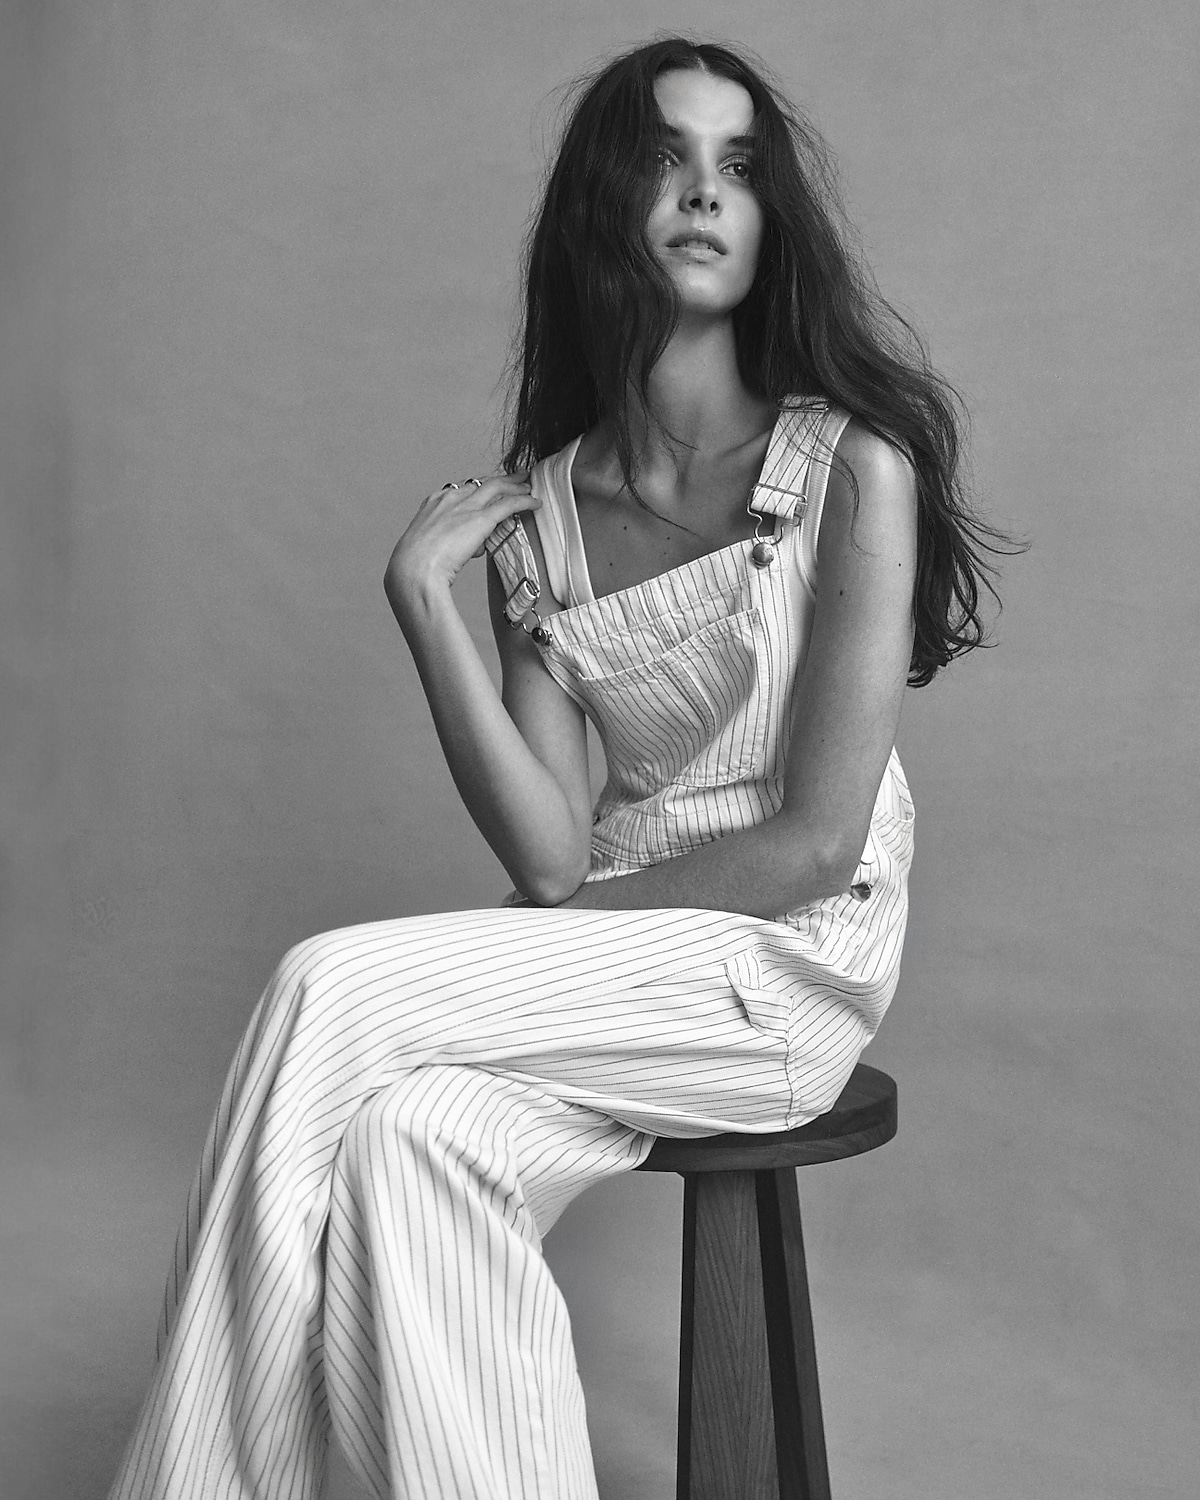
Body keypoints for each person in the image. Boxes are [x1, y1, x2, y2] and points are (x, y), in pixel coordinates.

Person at [106, 37, 1009, 1500]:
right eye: (667, 160)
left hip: (784, 972)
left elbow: (814, 844)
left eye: (740, 168)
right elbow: (542, 856)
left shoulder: (854, 468)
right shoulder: (549, 515)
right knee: (413, 1139)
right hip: (620, 970)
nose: (707, 197)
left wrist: (518, 947)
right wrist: (426, 607)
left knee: (329, 983)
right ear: (607, 205)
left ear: (773, 221)